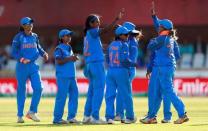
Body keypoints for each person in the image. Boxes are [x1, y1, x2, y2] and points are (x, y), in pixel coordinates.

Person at [140, 11, 189, 124]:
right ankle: (152, 117)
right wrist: (154, 17)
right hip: (166, 67)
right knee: (158, 92)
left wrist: (153, 41)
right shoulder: (171, 39)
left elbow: (149, 46)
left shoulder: (161, 39)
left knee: (165, 91)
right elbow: (177, 55)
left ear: (163, 28)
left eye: (160, 26)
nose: (158, 27)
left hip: (161, 68)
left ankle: (182, 114)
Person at [82, 10, 124, 124]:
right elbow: (105, 30)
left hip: (90, 64)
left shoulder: (87, 35)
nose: (99, 23)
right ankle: (95, 117)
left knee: (91, 91)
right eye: (97, 22)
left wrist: (107, 47)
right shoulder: (93, 31)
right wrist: (116, 19)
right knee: (99, 90)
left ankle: (87, 116)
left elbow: (95, 48)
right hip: (96, 64)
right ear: (91, 24)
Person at [11, 17, 48, 123]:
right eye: (28, 23)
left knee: (39, 88)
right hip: (22, 66)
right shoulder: (18, 37)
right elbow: (14, 51)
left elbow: (38, 47)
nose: (31, 25)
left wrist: (43, 53)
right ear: (23, 25)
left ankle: (32, 112)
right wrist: (22, 59)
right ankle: (19, 115)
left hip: (33, 66)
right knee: (21, 90)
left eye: (31, 23)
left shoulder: (35, 36)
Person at [105, 26, 137, 124]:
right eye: (126, 34)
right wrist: (133, 64)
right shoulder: (124, 45)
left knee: (110, 95)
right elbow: (124, 60)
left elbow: (107, 58)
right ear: (120, 35)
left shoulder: (111, 44)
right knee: (126, 94)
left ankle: (109, 117)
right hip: (121, 71)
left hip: (110, 71)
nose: (128, 36)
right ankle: (130, 117)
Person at [115, 22, 142, 122]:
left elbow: (128, 59)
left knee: (122, 93)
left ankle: (120, 114)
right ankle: (122, 114)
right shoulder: (129, 41)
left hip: (128, 70)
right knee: (124, 93)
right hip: (127, 69)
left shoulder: (131, 42)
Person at [53, 29, 79, 124]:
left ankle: (71, 117)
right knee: (62, 97)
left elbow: (68, 59)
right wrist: (70, 58)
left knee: (74, 96)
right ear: (61, 37)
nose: (69, 37)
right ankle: (57, 118)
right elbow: (58, 61)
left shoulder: (69, 47)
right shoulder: (59, 48)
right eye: (67, 35)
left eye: (70, 35)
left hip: (72, 76)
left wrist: (73, 58)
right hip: (63, 76)